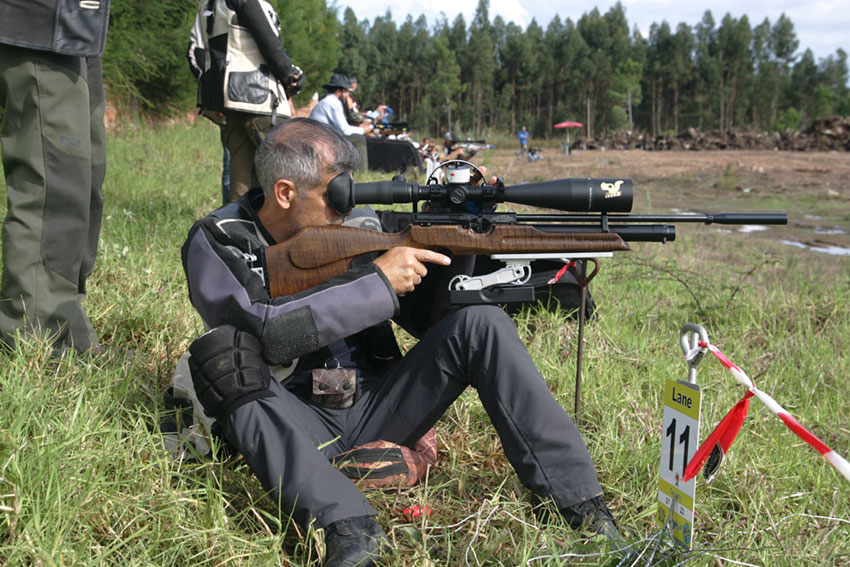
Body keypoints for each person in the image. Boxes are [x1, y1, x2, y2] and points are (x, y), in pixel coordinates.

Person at [180, 117, 622, 566]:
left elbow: (438, 320)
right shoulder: (221, 238)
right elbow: (264, 333)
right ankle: (349, 527)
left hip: (378, 407)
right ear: (285, 192)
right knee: (221, 354)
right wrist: (378, 282)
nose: (346, 209)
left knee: (482, 324)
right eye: (335, 196)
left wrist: (460, 247)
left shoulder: (365, 224)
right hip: (288, 422)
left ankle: (581, 507)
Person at [0, 1, 110, 355]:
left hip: (80, 24)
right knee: (53, 184)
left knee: (85, 181)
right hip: (38, 21)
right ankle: (34, 339)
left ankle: (66, 322)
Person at [195, 0, 305, 202]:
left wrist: (212, 94)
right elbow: (270, 44)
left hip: (231, 102)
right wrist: (292, 75)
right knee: (289, 171)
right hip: (261, 98)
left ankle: (238, 230)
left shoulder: (207, 5)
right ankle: (295, 231)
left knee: (241, 182)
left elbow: (197, 53)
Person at [187, 2, 230, 205]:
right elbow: (195, 51)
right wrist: (215, 95)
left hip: (253, 100)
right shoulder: (208, 7)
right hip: (232, 102)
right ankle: (234, 216)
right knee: (233, 163)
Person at [310, 73, 371, 170]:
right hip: (321, 139)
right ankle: (362, 172)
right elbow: (344, 130)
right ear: (339, 91)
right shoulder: (333, 103)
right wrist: (364, 130)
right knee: (359, 139)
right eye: (346, 91)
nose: (348, 95)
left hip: (320, 136)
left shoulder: (327, 101)